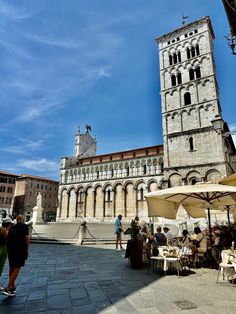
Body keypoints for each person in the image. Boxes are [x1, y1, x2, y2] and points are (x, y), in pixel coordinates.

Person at [3, 214, 29, 297]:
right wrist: (27, 250)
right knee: (17, 268)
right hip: (20, 250)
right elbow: (26, 239)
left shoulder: (12, 227)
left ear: (17, 219)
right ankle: (7, 288)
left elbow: (7, 239)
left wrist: (8, 249)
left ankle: (12, 288)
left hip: (11, 250)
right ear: (23, 219)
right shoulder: (24, 226)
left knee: (11, 268)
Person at [0, 217, 12, 291]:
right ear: (8, 224)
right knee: (0, 266)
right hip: (3, 249)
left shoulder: (1, 229)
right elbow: (8, 240)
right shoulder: (5, 231)